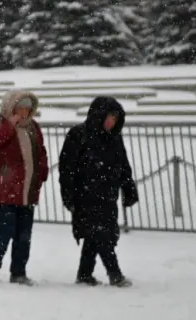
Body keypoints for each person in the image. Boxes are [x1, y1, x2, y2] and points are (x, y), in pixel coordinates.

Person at [59, 96, 138, 288]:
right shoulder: (78, 135)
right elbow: (67, 169)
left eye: (115, 118)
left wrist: (128, 188)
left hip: (108, 195)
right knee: (101, 234)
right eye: (109, 117)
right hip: (85, 195)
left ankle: (85, 274)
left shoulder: (114, 138)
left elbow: (123, 166)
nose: (112, 122)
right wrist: (68, 195)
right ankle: (115, 273)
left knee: (96, 235)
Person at [0, 89, 49, 285]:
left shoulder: (33, 127)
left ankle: (18, 272)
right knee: (5, 228)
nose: (24, 113)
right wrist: (9, 126)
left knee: (23, 233)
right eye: (20, 108)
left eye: (28, 109)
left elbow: (40, 152)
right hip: (2, 189)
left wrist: (42, 172)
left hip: (26, 190)